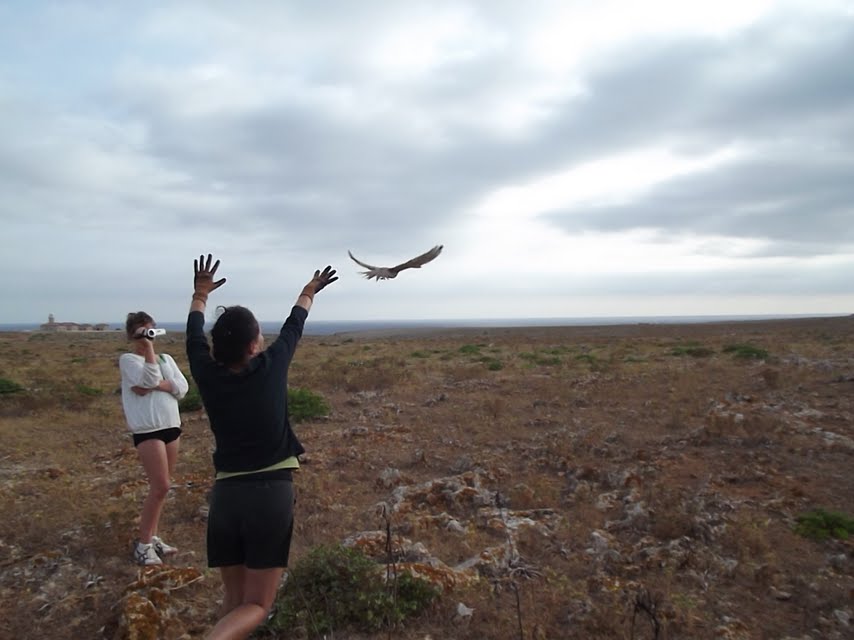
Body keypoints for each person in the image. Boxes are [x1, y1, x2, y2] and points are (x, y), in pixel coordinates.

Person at [186, 253, 337, 640]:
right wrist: (308, 290)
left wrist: (200, 294)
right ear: (255, 345)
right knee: (257, 605)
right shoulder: (272, 366)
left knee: (234, 600)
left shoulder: (206, 373)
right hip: (269, 494)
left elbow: (192, 336)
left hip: (226, 497)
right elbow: (294, 325)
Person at [119, 312, 189, 566]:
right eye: (140, 332)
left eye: (149, 331)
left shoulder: (167, 359)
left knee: (162, 488)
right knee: (161, 486)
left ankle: (153, 536)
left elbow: (182, 388)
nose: (146, 336)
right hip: (148, 429)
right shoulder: (128, 360)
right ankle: (143, 545)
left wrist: (158, 385)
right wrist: (150, 357)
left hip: (171, 425)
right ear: (131, 335)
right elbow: (147, 378)